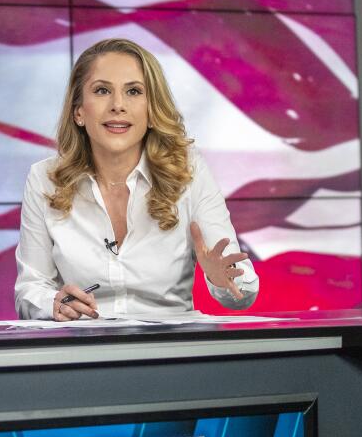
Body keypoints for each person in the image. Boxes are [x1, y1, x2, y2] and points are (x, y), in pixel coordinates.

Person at [15, 38, 258, 320]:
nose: (118, 105)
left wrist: (222, 279)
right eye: (102, 90)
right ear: (79, 111)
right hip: (83, 349)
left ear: (152, 110)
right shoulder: (44, 179)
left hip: (170, 351)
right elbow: (30, 289)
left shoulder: (188, 173)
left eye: (133, 91)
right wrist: (54, 304)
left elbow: (243, 295)